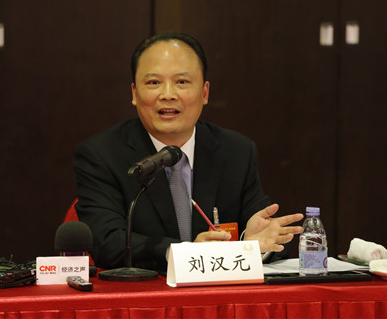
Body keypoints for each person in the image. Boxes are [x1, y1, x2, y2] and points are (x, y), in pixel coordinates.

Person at [73, 32, 303, 271]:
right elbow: (106, 241)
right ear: (134, 93)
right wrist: (186, 253)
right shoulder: (101, 155)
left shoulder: (236, 152)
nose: (168, 94)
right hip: (149, 290)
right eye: (154, 83)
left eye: (182, 82)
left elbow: (265, 233)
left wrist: (253, 243)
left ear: (204, 93)